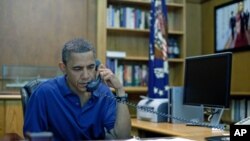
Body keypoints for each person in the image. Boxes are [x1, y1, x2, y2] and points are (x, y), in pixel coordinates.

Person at [23, 38, 131, 140]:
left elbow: (122, 137)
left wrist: (120, 90)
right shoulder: (43, 93)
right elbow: (33, 138)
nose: (85, 76)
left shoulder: (103, 93)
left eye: (90, 67)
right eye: (77, 69)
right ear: (63, 68)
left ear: (97, 67)